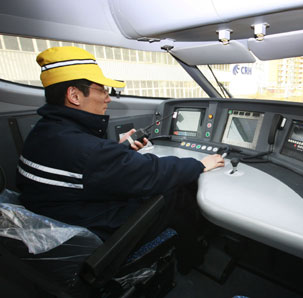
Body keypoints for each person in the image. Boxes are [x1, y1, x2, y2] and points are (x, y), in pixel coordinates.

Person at [16, 46, 225, 243]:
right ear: (74, 95)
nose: (108, 98)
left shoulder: (43, 131)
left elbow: (86, 167)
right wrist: (199, 165)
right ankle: (195, 249)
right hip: (101, 231)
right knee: (177, 191)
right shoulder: (90, 151)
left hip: (64, 218)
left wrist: (119, 150)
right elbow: (153, 173)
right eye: (103, 90)